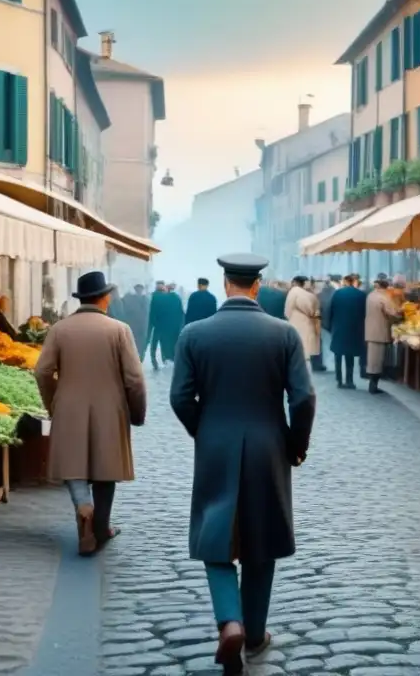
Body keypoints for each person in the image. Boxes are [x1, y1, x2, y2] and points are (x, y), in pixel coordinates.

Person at [169, 253, 315, 675]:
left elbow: (180, 397)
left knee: (215, 536)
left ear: (225, 283)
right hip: (269, 445)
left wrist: (205, 429)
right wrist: (295, 444)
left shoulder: (195, 334)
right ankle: (253, 633)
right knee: (261, 538)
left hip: (215, 443)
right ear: (256, 286)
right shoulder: (283, 334)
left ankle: (228, 621)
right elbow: (303, 398)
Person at [34, 271, 146, 556]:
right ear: (105, 297)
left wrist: (54, 402)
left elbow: (43, 371)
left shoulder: (60, 329)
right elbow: (134, 379)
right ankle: (101, 527)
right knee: (106, 471)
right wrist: (137, 412)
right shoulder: (119, 330)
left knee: (75, 466)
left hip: (69, 405)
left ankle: (84, 510)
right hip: (111, 408)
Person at [328, 274, 366, 389]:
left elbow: (330, 311)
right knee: (350, 356)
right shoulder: (361, 295)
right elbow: (365, 313)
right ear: (354, 281)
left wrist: (330, 326)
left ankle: (339, 379)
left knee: (338, 354)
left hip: (339, 327)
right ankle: (350, 380)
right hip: (355, 328)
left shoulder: (338, 294)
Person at [364, 278, 400, 394]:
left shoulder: (371, 295)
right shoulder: (384, 297)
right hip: (380, 331)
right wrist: (400, 315)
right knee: (377, 360)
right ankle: (373, 386)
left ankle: (372, 384)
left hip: (371, 331)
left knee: (372, 359)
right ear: (386, 287)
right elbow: (392, 312)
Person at [285, 275, 322, 372]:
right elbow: (312, 310)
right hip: (305, 325)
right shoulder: (304, 294)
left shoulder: (291, 293)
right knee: (305, 356)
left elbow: (286, 312)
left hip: (294, 324)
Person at [122, 284, 149, 360]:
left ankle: (140, 358)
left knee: (141, 344)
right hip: (133, 325)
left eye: (140, 289)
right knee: (134, 342)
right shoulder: (130, 299)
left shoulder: (145, 299)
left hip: (142, 326)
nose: (139, 291)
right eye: (138, 289)